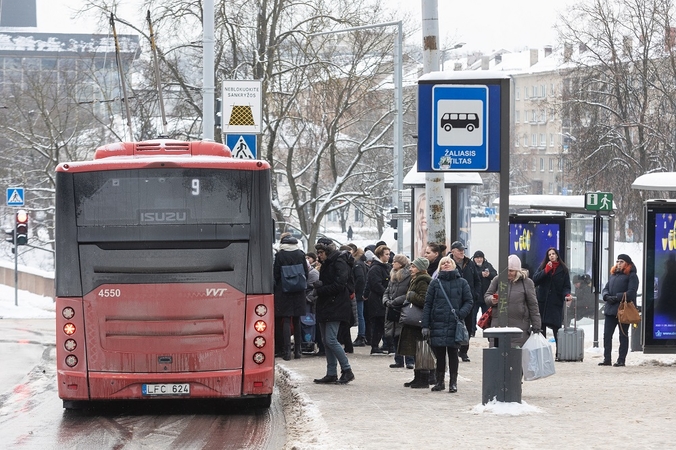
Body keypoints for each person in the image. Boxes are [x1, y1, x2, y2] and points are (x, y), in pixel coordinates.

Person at [422, 256, 473, 393]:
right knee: (439, 355)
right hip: (437, 322)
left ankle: (453, 382)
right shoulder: (435, 283)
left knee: (453, 354)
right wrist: (425, 325)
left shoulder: (462, 283)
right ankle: (440, 382)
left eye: (448, 262)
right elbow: (428, 304)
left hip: (454, 323)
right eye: (443, 263)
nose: (446, 264)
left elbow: (469, 301)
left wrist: (460, 314)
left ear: (454, 265)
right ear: (440, 266)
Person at [312, 237, 355, 384]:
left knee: (330, 339)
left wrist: (320, 288)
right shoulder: (329, 262)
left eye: (321, 252)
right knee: (326, 340)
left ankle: (347, 370)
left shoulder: (338, 261)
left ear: (328, 251)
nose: (319, 255)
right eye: (318, 252)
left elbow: (340, 284)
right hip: (328, 304)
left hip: (335, 304)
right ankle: (331, 372)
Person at [484, 255, 542, 348]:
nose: (508, 273)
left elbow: (533, 306)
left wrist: (536, 327)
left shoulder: (527, 283)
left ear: (517, 271)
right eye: (507, 270)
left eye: (511, 271)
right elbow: (487, 295)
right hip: (498, 325)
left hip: (519, 327)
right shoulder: (497, 279)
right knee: (497, 355)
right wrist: (491, 299)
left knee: (516, 357)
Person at [398, 257, 433, 388]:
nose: (410, 269)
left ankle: (423, 379)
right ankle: (417, 377)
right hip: (415, 321)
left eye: (413, 266)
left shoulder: (423, 281)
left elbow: (424, 300)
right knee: (416, 349)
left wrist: (411, 296)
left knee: (421, 349)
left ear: (420, 268)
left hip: (419, 320)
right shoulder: (417, 279)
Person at [273, 233, 309, 360]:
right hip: (299, 291)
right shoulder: (300, 254)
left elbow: (276, 273)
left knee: (286, 320)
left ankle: (287, 351)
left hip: (284, 291)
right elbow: (306, 272)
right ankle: (298, 351)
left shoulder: (280, 255)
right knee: (297, 320)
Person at [599, 254, 639, 367]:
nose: (618, 263)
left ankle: (621, 359)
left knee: (623, 335)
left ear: (627, 263)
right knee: (607, 335)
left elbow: (631, 292)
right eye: (617, 261)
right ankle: (607, 359)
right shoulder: (614, 275)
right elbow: (605, 288)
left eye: (621, 261)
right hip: (610, 310)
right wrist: (606, 296)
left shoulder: (632, 276)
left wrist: (617, 297)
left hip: (623, 310)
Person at [532, 247, 572, 359]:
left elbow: (566, 286)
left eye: (553, 254)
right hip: (543, 302)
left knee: (556, 329)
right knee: (542, 328)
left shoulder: (563, 269)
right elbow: (534, 280)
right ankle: (543, 353)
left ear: (557, 255)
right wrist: (546, 271)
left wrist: (567, 294)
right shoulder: (543, 267)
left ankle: (559, 353)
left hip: (555, 302)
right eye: (549, 254)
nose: (552, 256)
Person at [449, 240, 481, 362]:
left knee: (468, 326)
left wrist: (475, 295)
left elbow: (477, 280)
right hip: (453, 301)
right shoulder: (448, 263)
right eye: (459, 250)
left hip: (468, 301)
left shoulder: (469, 263)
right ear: (453, 251)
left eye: (463, 250)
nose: (462, 252)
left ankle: (464, 351)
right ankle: (454, 348)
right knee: (454, 325)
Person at [382, 254, 413, 368]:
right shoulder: (393, 275)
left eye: (395, 261)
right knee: (394, 334)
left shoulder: (409, 276)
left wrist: (395, 301)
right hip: (391, 308)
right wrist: (386, 301)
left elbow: (409, 293)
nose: (392, 263)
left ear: (401, 264)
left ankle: (410, 360)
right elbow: (387, 290)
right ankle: (398, 360)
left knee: (405, 335)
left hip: (403, 308)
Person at [364, 244, 391, 354]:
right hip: (377, 301)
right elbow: (375, 285)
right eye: (386, 254)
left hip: (381, 300)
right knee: (379, 324)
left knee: (381, 324)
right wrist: (387, 294)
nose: (389, 256)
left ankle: (379, 346)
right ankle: (375, 346)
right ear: (380, 255)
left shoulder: (384, 267)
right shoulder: (375, 268)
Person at [472, 250, 497, 333]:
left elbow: (495, 275)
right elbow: (470, 275)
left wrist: (489, 275)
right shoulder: (471, 266)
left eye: (481, 258)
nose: (479, 260)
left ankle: (486, 330)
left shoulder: (488, 265)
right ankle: (472, 330)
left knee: (486, 315)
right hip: (475, 295)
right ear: (474, 259)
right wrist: (480, 274)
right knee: (472, 315)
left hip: (486, 295)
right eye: (477, 258)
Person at [351, 247, 369, 347]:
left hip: (358, 294)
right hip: (361, 293)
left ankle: (361, 336)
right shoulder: (362, 263)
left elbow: (360, 279)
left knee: (359, 315)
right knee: (360, 315)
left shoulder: (357, 264)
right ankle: (362, 335)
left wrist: (356, 290)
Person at [415, 191, 427, 258]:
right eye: (421, 211)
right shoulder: (416, 245)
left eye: (427, 211)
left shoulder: (445, 242)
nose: (424, 215)